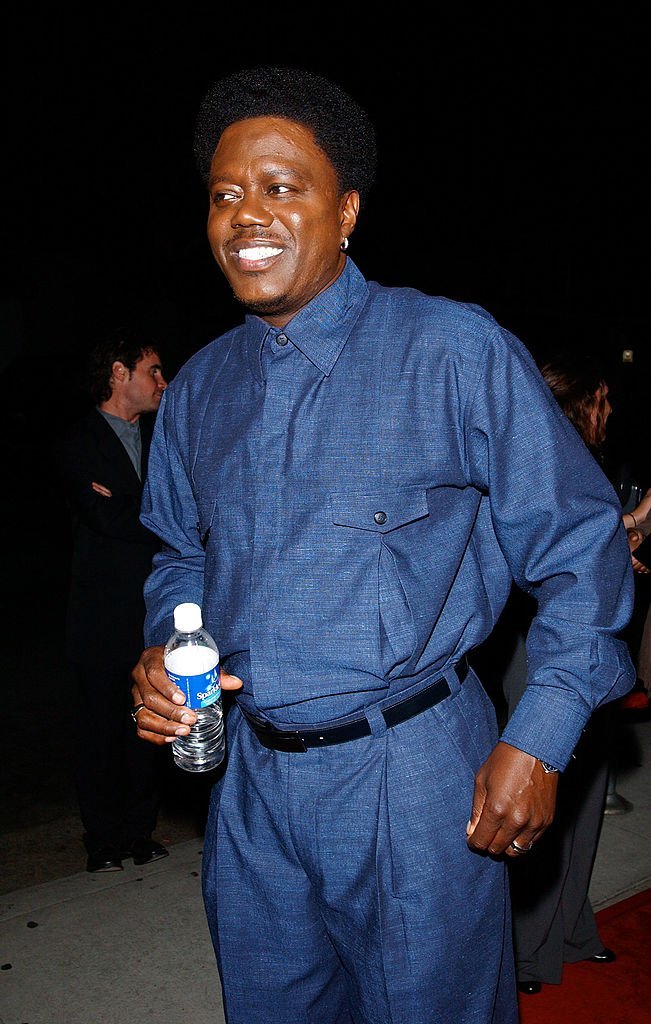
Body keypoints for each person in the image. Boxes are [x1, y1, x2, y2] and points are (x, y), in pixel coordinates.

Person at [130, 67, 635, 1024]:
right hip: (250, 788)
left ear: (347, 209)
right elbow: (176, 555)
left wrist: (543, 732)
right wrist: (166, 647)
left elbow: (579, 544)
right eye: (225, 194)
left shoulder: (452, 350)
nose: (247, 215)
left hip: (413, 778)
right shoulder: (198, 388)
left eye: (282, 187)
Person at [499, 356, 628, 994]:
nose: (613, 413)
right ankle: (525, 950)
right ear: (592, 397)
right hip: (540, 643)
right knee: (539, 793)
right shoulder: (539, 452)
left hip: (592, 643)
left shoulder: (590, 459)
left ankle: (573, 929)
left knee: (586, 794)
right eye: (607, 400)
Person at [56, 328, 169, 872]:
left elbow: (176, 514)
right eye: (153, 371)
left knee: (149, 719)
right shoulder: (78, 440)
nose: (163, 383)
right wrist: (152, 513)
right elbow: (106, 518)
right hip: (101, 618)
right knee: (100, 728)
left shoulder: (164, 438)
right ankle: (103, 842)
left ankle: (139, 831)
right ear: (119, 374)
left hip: (155, 613)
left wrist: (131, 505)